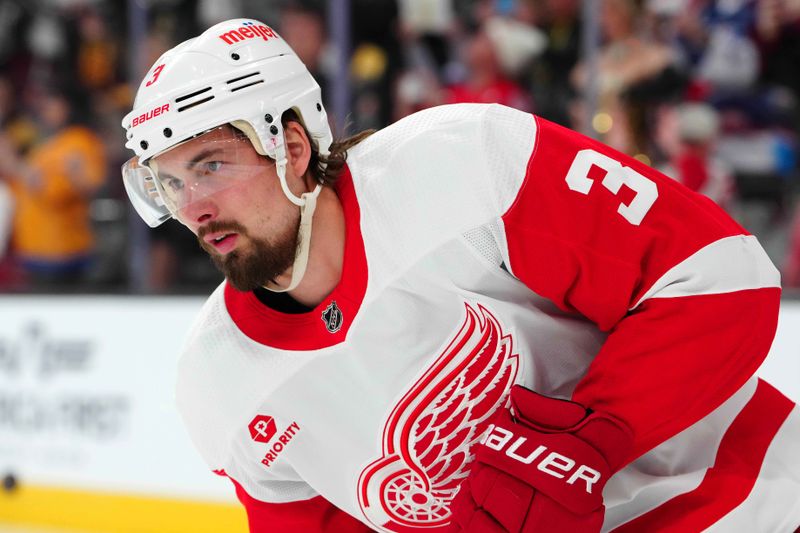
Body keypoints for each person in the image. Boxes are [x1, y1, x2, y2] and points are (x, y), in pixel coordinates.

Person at [121, 18, 800, 532]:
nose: (193, 207)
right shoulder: (218, 383)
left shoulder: (460, 165)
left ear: (291, 145)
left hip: (753, 502)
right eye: (169, 182)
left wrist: (589, 440)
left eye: (211, 165)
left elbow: (720, 275)